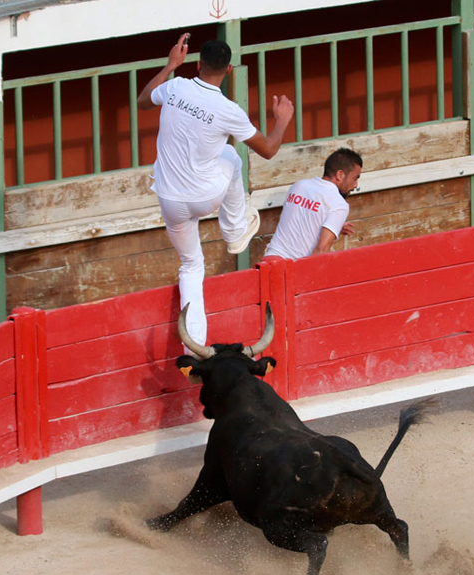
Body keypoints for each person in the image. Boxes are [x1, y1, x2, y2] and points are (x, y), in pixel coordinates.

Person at [137, 33, 295, 350]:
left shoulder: (175, 86)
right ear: (229, 71)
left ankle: (193, 348)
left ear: (197, 64)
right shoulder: (229, 109)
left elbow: (142, 102)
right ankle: (235, 230)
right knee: (232, 157)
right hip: (204, 196)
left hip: (169, 199)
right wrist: (281, 121)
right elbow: (267, 150)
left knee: (192, 267)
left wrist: (170, 65)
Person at [263, 148, 363, 260]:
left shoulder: (298, 186)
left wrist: (333, 225)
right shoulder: (339, 204)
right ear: (340, 175)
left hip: (270, 260)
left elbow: (301, 218)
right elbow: (321, 251)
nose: (355, 185)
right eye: (355, 178)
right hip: (294, 269)